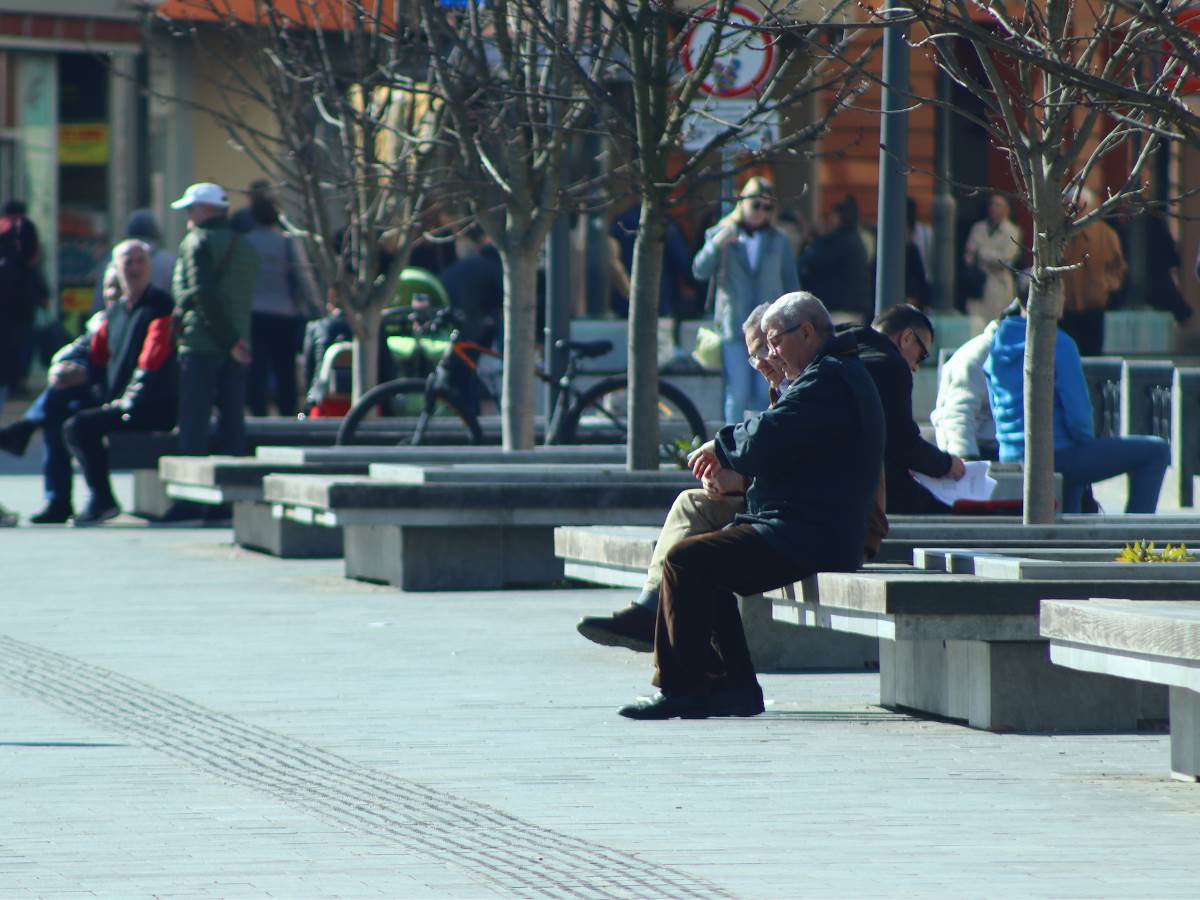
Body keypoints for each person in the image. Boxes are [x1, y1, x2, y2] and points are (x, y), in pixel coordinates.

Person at [617, 292, 885, 719]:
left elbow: (768, 436)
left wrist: (720, 446)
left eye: (775, 341)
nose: (773, 353)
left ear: (808, 332)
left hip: (810, 533)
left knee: (686, 560)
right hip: (804, 526)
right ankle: (735, 688)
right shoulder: (833, 374)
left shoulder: (829, 380)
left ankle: (682, 688)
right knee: (708, 566)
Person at [577, 304, 784, 652]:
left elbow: (802, 468)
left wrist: (742, 482)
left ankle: (681, 657)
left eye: (765, 349)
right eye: (752, 356)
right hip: (780, 508)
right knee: (692, 506)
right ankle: (654, 613)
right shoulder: (784, 386)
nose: (761, 362)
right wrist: (732, 479)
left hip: (807, 522)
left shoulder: (807, 387)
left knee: (693, 558)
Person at [0, 240, 177, 525]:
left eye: (139, 261)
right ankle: (58, 501)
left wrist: (125, 403)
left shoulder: (159, 306)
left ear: (149, 267)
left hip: (147, 404)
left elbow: (151, 363)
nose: (134, 268)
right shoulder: (115, 313)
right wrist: (72, 372)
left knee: (78, 426)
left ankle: (102, 500)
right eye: (127, 262)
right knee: (56, 411)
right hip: (115, 397)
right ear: (116, 270)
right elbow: (96, 359)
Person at [985, 296, 1169, 513]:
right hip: (1057, 455)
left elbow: (995, 407)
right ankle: (1134, 540)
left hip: (1011, 456)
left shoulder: (997, 344)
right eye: (1061, 292)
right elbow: (1079, 417)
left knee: (1073, 484)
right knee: (1156, 451)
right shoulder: (1058, 343)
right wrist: (1087, 448)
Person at [692, 177, 799, 423]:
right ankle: (732, 449)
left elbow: (791, 284)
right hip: (734, 326)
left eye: (767, 207)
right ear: (742, 201)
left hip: (770, 331)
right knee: (737, 393)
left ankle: (762, 446)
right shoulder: (721, 233)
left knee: (766, 390)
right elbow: (698, 271)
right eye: (755, 205)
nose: (760, 212)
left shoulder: (779, 240)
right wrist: (715, 246)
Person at [847, 305, 966, 514]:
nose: (916, 367)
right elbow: (903, 442)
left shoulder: (845, 353)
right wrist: (947, 464)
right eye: (921, 356)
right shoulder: (890, 365)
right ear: (907, 338)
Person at [170, 182, 258, 457]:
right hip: (239, 344)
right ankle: (227, 495)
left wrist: (227, 340)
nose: (187, 216)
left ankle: (190, 496)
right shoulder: (245, 246)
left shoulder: (198, 241)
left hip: (202, 344)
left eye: (190, 209)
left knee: (194, 423)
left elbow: (202, 293)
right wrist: (235, 341)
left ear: (206, 210)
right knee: (232, 422)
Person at [239, 184, 318, 417]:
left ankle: (258, 411)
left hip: (253, 313)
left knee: (257, 368)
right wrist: (315, 306)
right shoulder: (287, 241)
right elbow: (303, 275)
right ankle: (287, 412)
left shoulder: (244, 242)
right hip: (284, 313)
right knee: (285, 367)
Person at [930, 301, 1021, 459]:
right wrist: (967, 458)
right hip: (980, 450)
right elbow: (958, 413)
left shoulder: (1013, 353)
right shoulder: (977, 356)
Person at [1059, 187, 1126, 356]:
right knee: (1066, 354)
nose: (1077, 212)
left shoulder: (1106, 234)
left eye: (1082, 207)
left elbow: (1118, 268)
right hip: (1064, 308)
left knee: (1093, 354)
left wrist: (1106, 285)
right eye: (1073, 207)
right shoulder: (1058, 234)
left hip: (1094, 306)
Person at [797, 195, 872, 325]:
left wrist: (811, 239)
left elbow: (810, 261)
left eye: (831, 216)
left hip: (838, 312)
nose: (829, 220)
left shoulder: (837, 242)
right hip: (854, 311)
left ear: (838, 217)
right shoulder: (856, 240)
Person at [608, 204, 693, 319]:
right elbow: (683, 265)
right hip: (659, 307)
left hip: (624, 308)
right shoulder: (665, 224)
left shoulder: (619, 223)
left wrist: (628, 295)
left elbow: (612, 262)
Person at [0, 200, 42, 415]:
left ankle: (9, 380)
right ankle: (16, 381)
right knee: (21, 342)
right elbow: (32, 260)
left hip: (7, 303)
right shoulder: (25, 228)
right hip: (21, 301)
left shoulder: (6, 230)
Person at [91, 209, 176, 312]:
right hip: (162, 317)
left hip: (125, 316)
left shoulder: (116, 258)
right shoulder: (168, 261)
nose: (135, 267)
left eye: (140, 261)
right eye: (129, 263)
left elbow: (100, 299)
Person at [963, 194, 1023, 322]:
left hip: (1000, 286)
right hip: (978, 284)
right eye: (991, 204)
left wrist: (981, 253)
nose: (993, 208)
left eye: (998, 205)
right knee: (975, 323)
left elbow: (1005, 260)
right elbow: (968, 255)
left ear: (1007, 209)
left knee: (998, 323)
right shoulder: (978, 228)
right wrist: (988, 257)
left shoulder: (1013, 231)